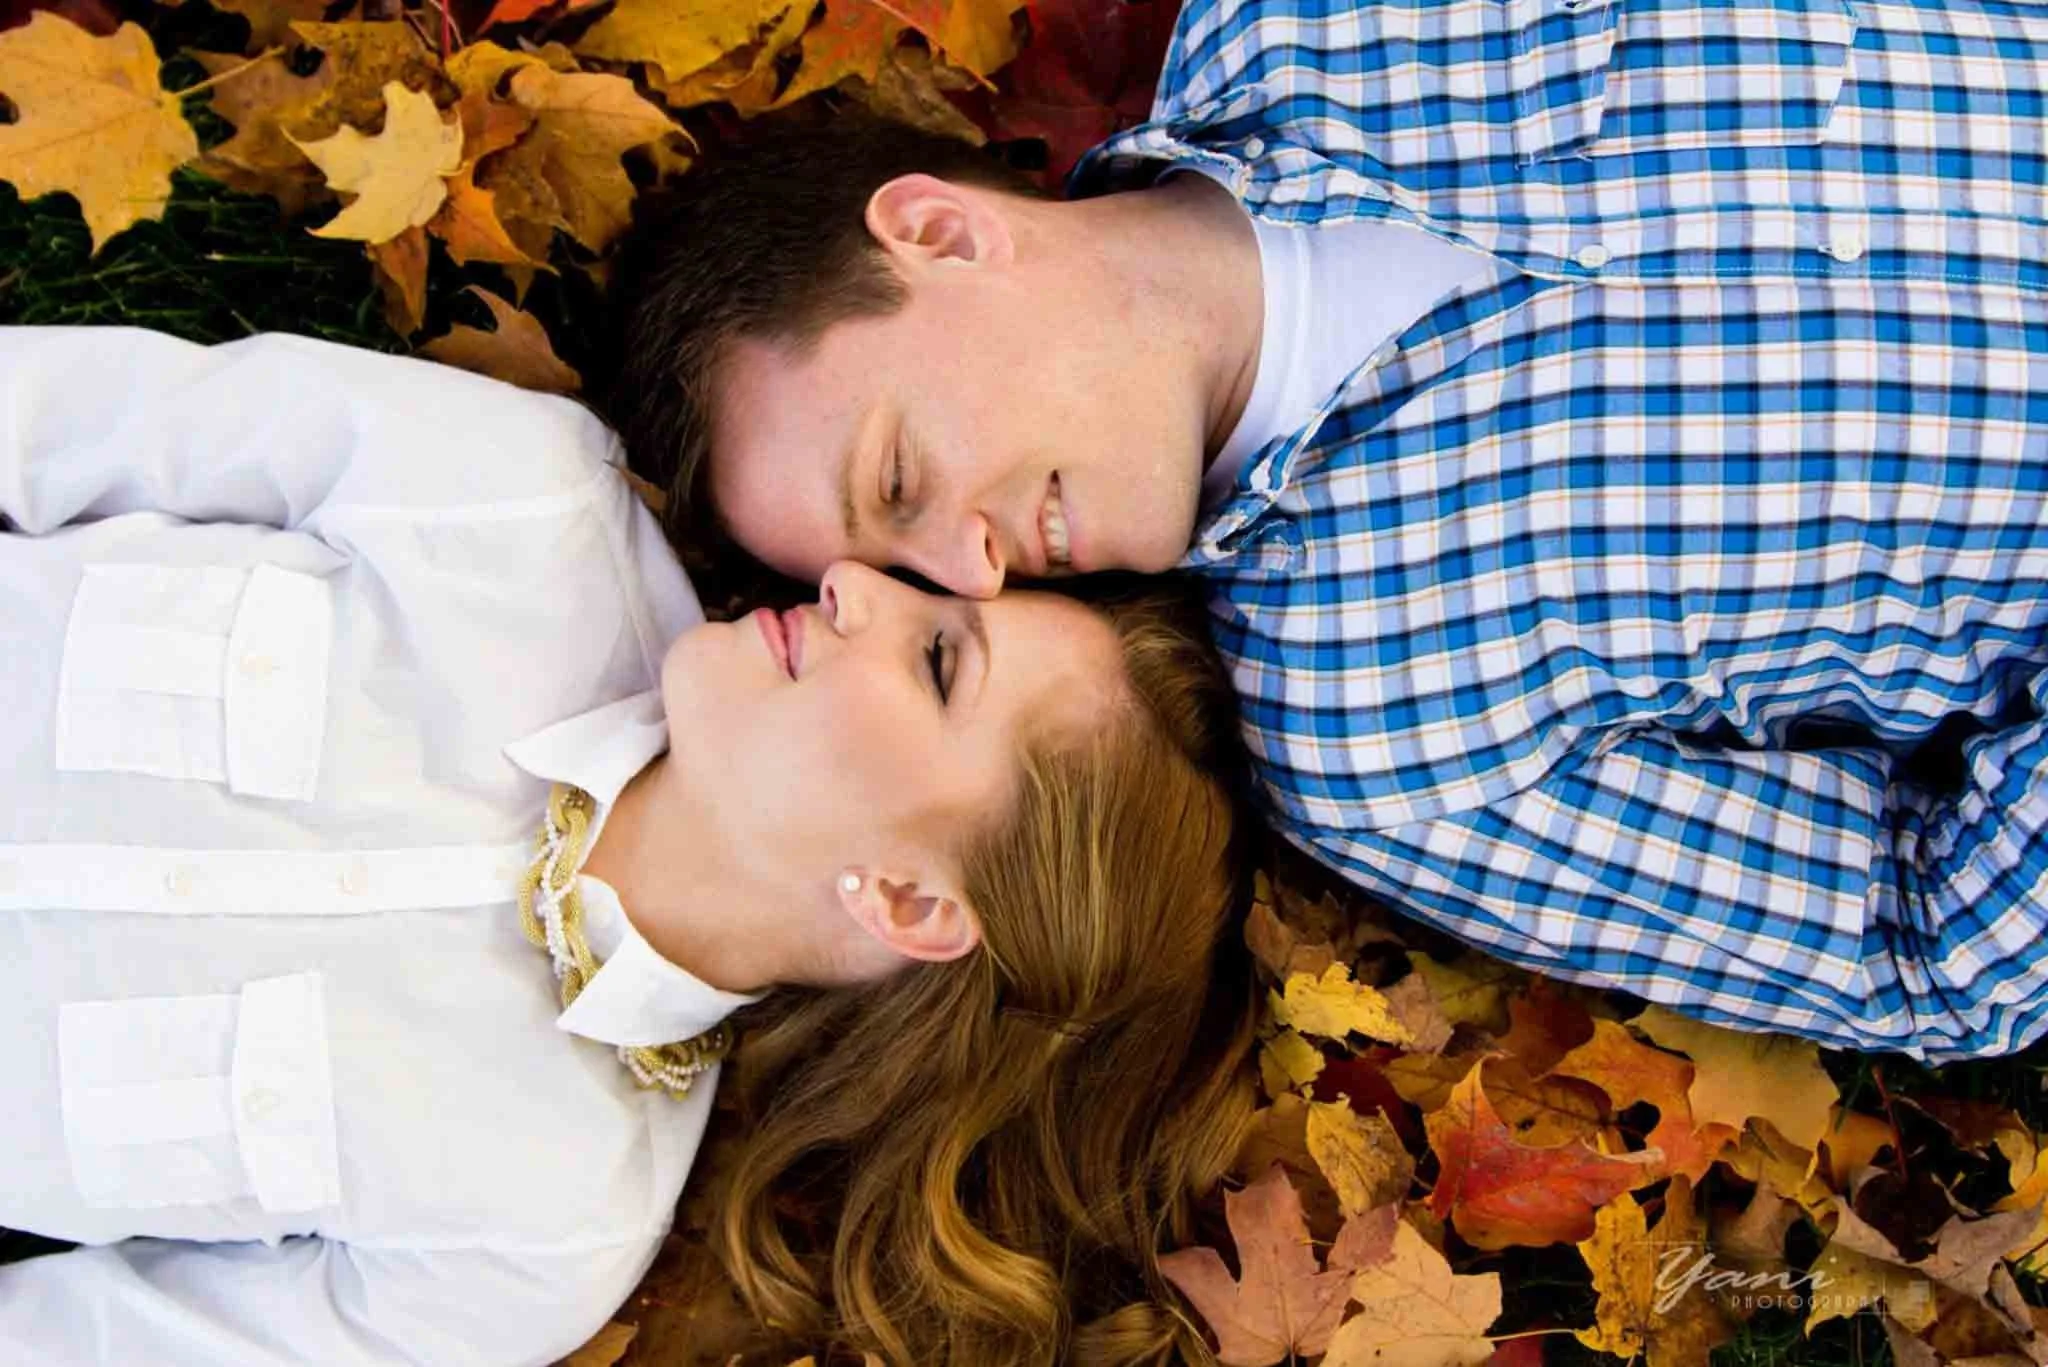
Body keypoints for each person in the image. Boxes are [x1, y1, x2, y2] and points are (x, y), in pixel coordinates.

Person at [602, 0, 2048, 1063]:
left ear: (943, 233)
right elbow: (1925, 949)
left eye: (904, 482)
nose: (976, 574)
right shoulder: (1385, 730)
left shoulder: (1329, 23)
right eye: (909, 582)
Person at [0, 327, 1261, 1367]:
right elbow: (46, 418)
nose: (853, 589)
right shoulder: (516, 502)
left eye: (938, 661)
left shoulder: (539, 1234)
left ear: (909, 902)